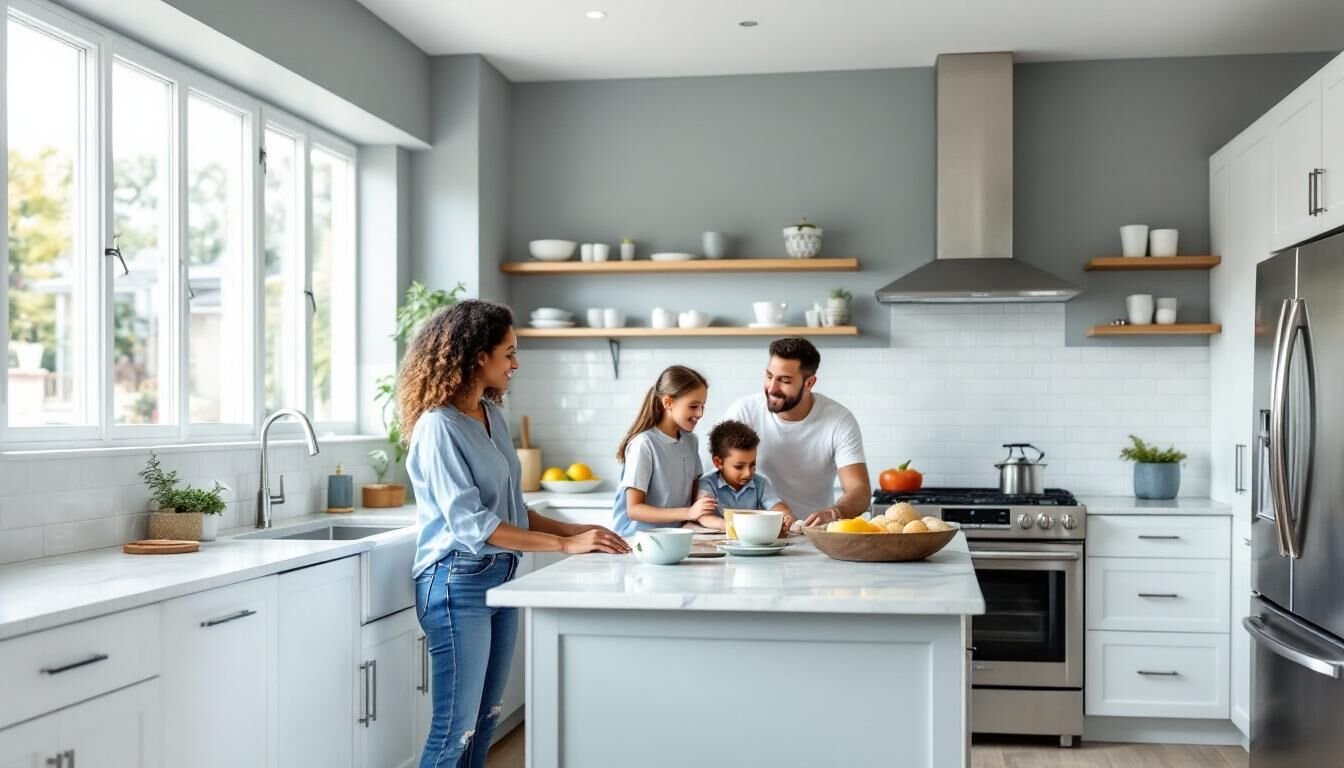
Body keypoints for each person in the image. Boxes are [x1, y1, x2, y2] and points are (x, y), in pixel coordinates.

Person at [402, 299, 629, 768]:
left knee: (486, 719)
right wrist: (565, 545)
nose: (516, 363)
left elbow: (512, 510)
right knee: (453, 730)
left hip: (500, 580)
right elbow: (473, 525)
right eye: (508, 352)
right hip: (455, 585)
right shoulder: (438, 427)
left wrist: (577, 528)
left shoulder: (491, 416)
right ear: (477, 355)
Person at [717, 337, 871, 527]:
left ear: (809, 383)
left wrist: (836, 512)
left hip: (811, 534)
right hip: (750, 531)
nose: (772, 388)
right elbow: (714, 478)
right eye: (769, 376)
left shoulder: (839, 421)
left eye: (784, 380)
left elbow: (859, 489)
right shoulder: (743, 413)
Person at [610, 365, 715, 537]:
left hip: (677, 535)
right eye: (694, 406)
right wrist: (688, 513)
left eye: (703, 406)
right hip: (639, 540)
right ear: (668, 402)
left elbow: (693, 494)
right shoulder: (644, 444)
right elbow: (634, 510)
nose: (700, 413)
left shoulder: (690, 441)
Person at [694, 419, 794, 533]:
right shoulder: (706, 484)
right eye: (739, 467)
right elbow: (704, 516)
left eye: (753, 464)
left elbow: (777, 507)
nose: (748, 473)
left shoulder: (761, 483)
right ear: (718, 463)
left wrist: (786, 517)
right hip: (718, 540)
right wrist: (731, 527)